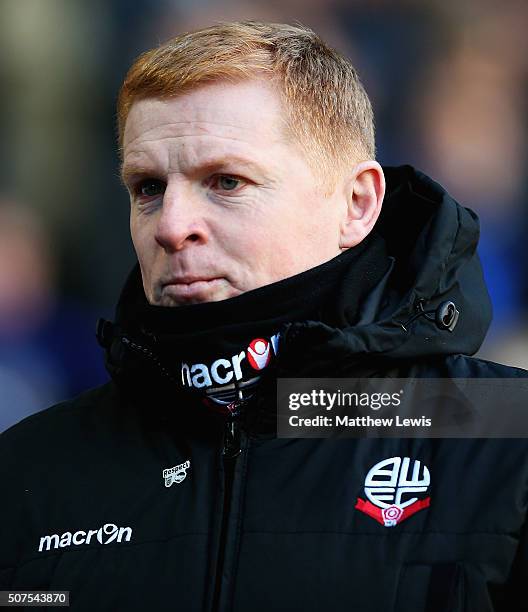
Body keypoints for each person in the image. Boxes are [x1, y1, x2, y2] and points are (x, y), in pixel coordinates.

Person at [1, 21, 527, 612]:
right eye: (148, 187)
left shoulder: (508, 431)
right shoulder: (27, 470)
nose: (171, 226)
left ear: (357, 204)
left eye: (226, 181)